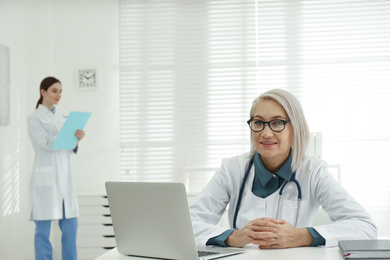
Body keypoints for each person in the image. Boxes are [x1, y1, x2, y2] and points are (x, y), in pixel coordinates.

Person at [190, 88, 377, 249]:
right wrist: (232, 237)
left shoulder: (313, 172)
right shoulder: (232, 170)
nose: (266, 133)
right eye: (258, 122)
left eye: (277, 122)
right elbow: (187, 225)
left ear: (295, 128)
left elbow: (365, 227)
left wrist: (302, 236)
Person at [27, 76, 85, 260]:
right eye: (54, 91)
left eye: (60, 91)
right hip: (46, 181)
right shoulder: (34, 118)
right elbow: (44, 142)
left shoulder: (63, 117)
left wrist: (76, 139)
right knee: (43, 232)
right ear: (43, 92)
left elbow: (68, 147)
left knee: (71, 226)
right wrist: (67, 136)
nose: (58, 95)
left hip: (64, 181)